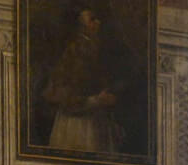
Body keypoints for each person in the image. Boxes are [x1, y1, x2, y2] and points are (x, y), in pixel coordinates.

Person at [42, 7, 126, 153]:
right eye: (92, 20)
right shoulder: (76, 50)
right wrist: (96, 100)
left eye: (96, 19)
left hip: (96, 115)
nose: (98, 23)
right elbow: (69, 91)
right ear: (82, 27)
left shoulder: (96, 47)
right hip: (78, 120)